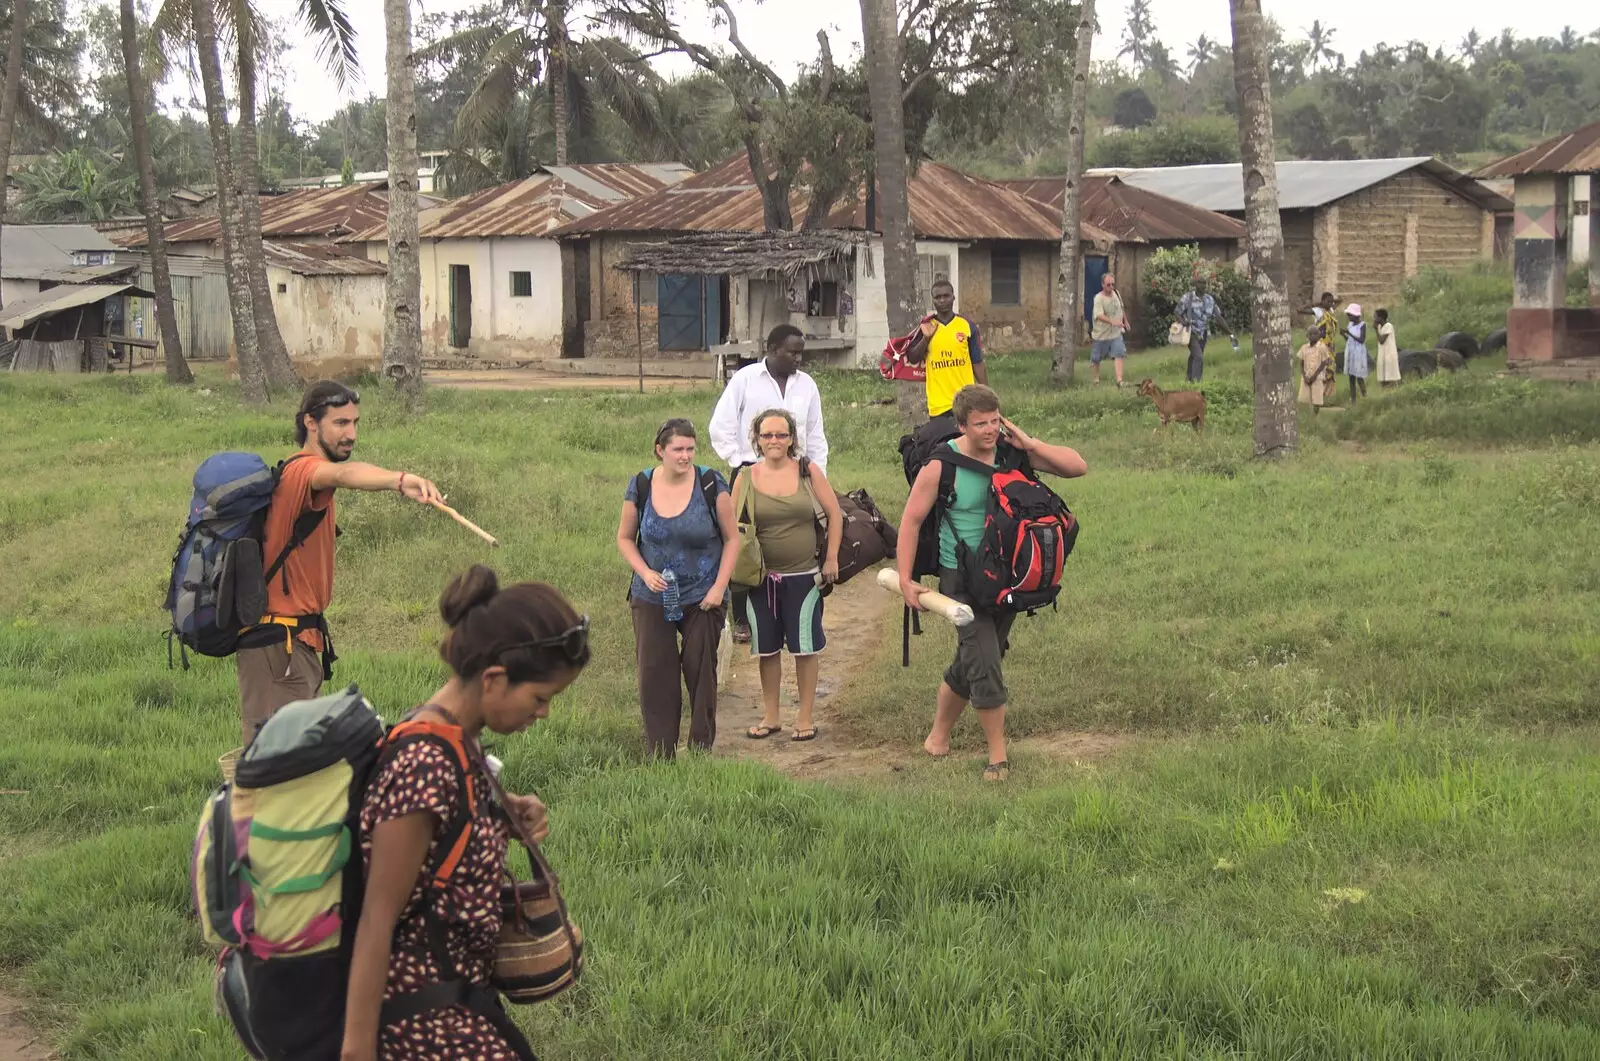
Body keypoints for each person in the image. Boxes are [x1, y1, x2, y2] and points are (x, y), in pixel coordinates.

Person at [341, 565, 590, 1061]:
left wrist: (501, 819)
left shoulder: (459, 741)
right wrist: (356, 1052)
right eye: (540, 698)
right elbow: (376, 919)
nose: (543, 713)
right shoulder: (424, 764)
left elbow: (437, 852)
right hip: (418, 1025)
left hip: (457, 1006)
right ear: (494, 679)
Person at [895, 384, 1087, 783]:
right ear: (961, 425)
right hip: (961, 576)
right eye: (980, 423)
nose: (989, 430)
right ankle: (997, 758)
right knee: (984, 659)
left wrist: (1030, 443)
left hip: (1007, 573)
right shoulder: (940, 466)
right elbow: (911, 522)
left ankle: (937, 738)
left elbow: (1076, 467)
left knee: (978, 656)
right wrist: (905, 579)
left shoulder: (1012, 454)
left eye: (995, 421)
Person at [237, 381, 443, 745]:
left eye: (355, 423)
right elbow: (345, 474)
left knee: (297, 766)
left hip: (295, 643)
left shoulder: (306, 475)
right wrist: (400, 481)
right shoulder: (304, 472)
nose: (352, 434)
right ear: (310, 423)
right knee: (280, 770)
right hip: (279, 648)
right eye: (340, 423)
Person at [616, 418, 737, 759]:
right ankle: (662, 752)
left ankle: (700, 749)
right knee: (655, 673)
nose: (685, 456)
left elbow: (732, 540)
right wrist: (644, 571)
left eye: (690, 449)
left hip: (703, 594)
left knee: (700, 671)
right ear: (660, 450)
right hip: (651, 593)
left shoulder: (711, 483)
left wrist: (719, 588)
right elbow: (625, 539)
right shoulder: (640, 484)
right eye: (677, 449)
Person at [710, 324, 828, 646]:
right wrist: (742, 462)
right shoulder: (745, 380)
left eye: (801, 351)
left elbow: (815, 435)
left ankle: (801, 609)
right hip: (751, 474)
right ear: (773, 349)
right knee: (744, 539)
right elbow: (720, 426)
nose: (798, 358)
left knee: (803, 535)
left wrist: (818, 476)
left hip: (797, 473)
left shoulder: (807, 386)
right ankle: (742, 618)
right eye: (792, 351)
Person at [735, 408, 842, 743]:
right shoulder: (745, 477)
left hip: (805, 577)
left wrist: (832, 558)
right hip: (760, 579)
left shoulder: (807, 471)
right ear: (757, 439)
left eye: (781, 435)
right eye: (767, 435)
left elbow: (835, 516)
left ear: (792, 438)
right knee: (766, 649)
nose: (774, 441)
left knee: (804, 647)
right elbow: (734, 528)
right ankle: (771, 716)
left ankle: (805, 717)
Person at [904, 278, 988, 420]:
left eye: (946, 296)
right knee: (944, 442)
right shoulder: (926, 326)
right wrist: (926, 338)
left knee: (966, 441)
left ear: (953, 297)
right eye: (938, 297)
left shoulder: (966, 326)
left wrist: (986, 394)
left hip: (966, 401)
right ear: (933, 301)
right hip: (939, 405)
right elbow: (912, 358)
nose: (942, 300)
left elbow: (977, 362)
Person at [1176, 276, 1235, 383]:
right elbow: (1177, 313)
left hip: (1203, 334)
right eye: (1200, 283)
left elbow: (1218, 318)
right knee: (1198, 357)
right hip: (1191, 333)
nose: (1203, 285)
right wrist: (1184, 322)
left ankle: (1188, 381)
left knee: (1195, 356)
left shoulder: (1209, 299)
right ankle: (1196, 384)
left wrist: (1230, 333)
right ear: (1195, 284)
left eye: (1204, 283)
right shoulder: (1187, 298)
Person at [1090, 272, 1130, 387]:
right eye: (1108, 285)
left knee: (1119, 353)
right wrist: (1112, 321)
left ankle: (1119, 380)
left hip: (1116, 333)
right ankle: (1096, 379)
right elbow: (1098, 315)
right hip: (1101, 334)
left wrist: (1125, 321)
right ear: (1102, 285)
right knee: (1096, 358)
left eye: (1113, 284)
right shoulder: (1098, 298)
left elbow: (1121, 308)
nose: (1111, 287)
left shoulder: (1116, 293)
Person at [1297, 327, 1333, 414]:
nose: (1313, 336)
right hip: (1306, 377)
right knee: (1304, 399)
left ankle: (1315, 416)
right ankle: (1307, 416)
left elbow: (1324, 363)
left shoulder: (1322, 347)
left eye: (1315, 334)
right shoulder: (1304, 348)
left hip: (1317, 377)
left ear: (1319, 335)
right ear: (1307, 336)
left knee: (1317, 400)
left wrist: (1314, 376)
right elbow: (1301, 363)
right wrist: (1304, 376)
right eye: (1310, 334)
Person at [1341, 304, 1370, 403]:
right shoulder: (1350, 325)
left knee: (1359, 376)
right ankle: (1353, 399)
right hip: (1350, 351)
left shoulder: (1363, 325)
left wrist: (1349, 333)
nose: (1348, 317)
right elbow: (1349, 340)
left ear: (1356, 315)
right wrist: (1344, 335)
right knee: (1351, 376)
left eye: (1350, 315)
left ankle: (1364, 394)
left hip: (1358, 353)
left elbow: (1361, 340)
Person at [1374, 308, 1401, 387]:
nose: (1374, 319)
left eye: (1375, 317)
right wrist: (1377, 329)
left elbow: (1382, 341)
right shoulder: (1379, 327)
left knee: (1390, 374)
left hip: (1389, 354)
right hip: (1382, 353)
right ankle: (1385, 390)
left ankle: (1393, 389)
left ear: (1381, 318)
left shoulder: (1388, 326)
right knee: (1382, 374)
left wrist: (1375, 330)